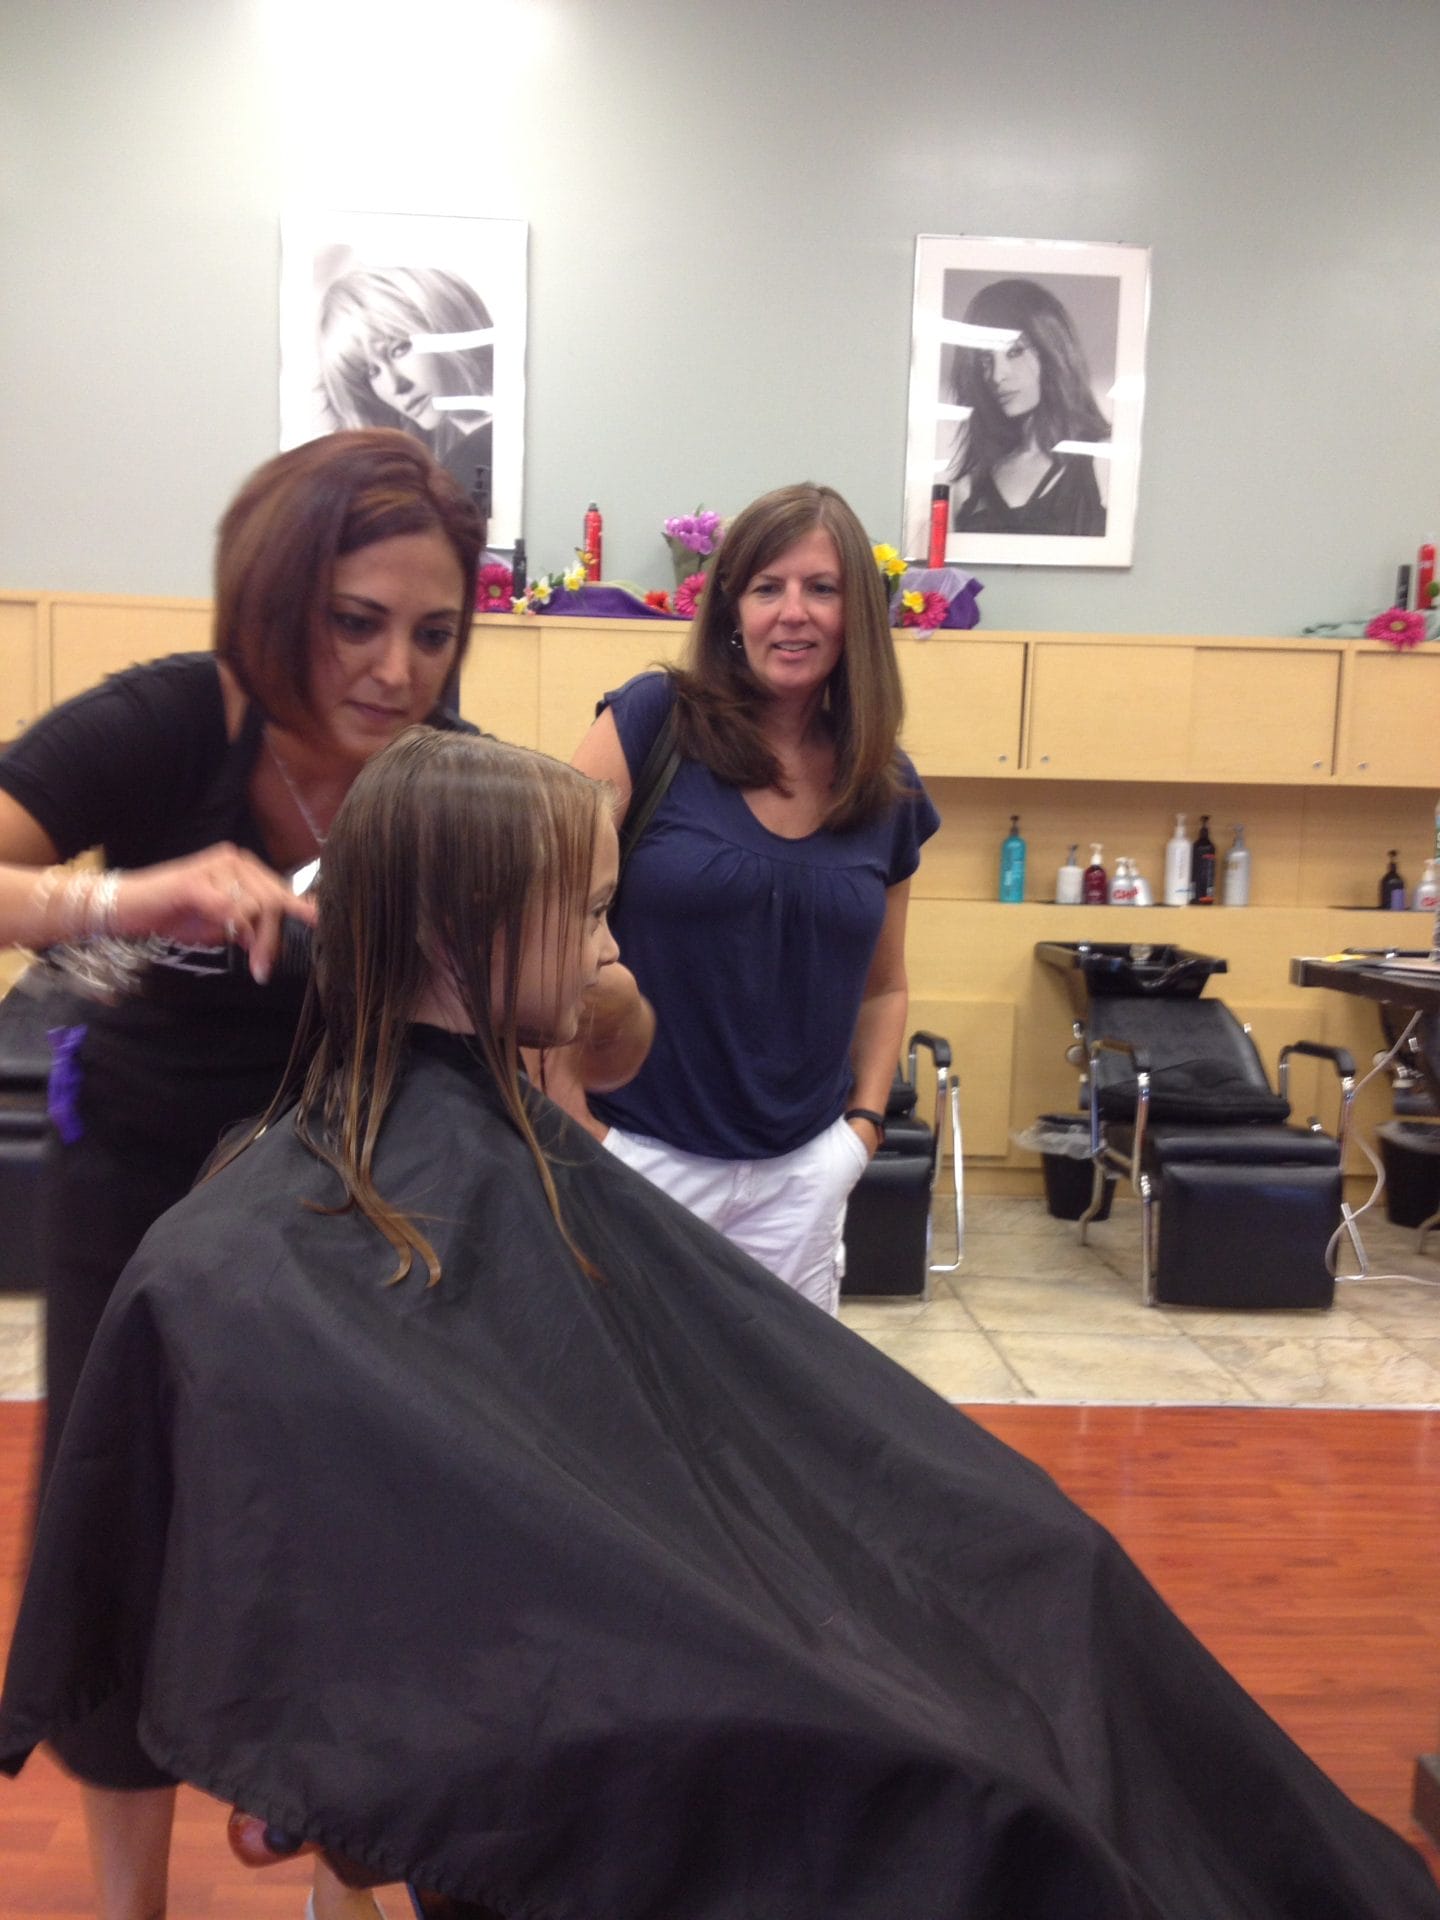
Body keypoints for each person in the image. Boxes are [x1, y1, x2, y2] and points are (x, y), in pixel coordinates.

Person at [2, 726, 1438, 1920]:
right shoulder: (268, 1255)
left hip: (674, 1602)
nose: (613, 944)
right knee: (980, 1780)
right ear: (457, 931)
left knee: (1052, 1565)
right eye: (587, 913)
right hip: (614, 1679)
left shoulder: (473, 1140)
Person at [0, 430, 647, 1920]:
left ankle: (337, 1859)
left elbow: (582, 1026)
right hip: (144, 1191)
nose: (395, 672)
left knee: (354, 1541)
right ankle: (131, 1903)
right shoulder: (168, 723)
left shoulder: (441, 776)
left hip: (348, 1194)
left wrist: (595, 995)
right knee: (128, 1528)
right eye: (356, 623)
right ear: (276, 597)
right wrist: (123, 896)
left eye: (434, 633)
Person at [566, 481, 940, 1316]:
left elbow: (884, 986)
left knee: (779, 1399)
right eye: (768, 587)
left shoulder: (886, 784)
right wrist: (576, 1125)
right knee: (626, 1392)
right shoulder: (651, 722)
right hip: (638, 1157)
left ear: (856, 614)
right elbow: (535, 919)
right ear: (733, 608)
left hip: (802, 1181)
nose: (792, 613)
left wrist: (861, 1132)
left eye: (821, 588)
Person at [943, 277, 1111, 537]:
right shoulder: (969, 485)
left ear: (1052, 352)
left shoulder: (1103, 462)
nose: (997, 375)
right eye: (986, 360)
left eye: (1014, 352)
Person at [317, 265, 495, 500]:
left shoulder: (475, 459)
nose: (394, 386)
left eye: (399, 349)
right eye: (372, 372)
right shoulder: (448, 465)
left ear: (445, 323)